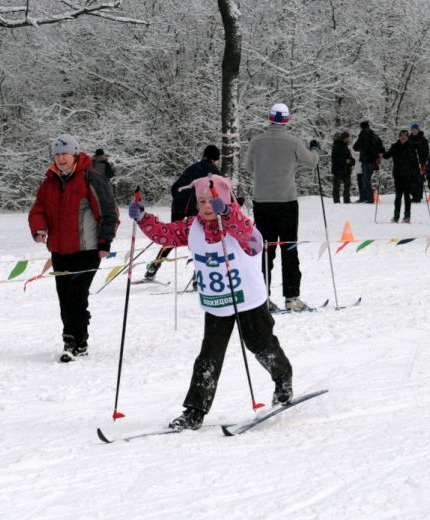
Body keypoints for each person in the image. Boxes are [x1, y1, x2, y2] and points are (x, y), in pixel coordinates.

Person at [128, 174, 293, 430]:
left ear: (225, 200)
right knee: (209, 357)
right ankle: (194, 411)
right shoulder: (192, 227)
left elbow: (248, 235)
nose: (206, 206)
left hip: (248, 300)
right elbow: (166, 235)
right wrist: (143, 219)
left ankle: (283, 378)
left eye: (212, 200)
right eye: (202, 201)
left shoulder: (240, 224)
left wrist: (227, 213)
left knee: (260, 345)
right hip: (217, 303)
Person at [29, 134, 118, 362]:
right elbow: (38, 209)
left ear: (75, 154)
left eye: (65, 154)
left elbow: (109, 212)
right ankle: (73, 340)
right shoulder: (49, 182)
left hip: (87, 250)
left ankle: (76, 341)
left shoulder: (91, 177)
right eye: (57, 155)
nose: (61, 159)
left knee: (76, 297)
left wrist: (105, 242)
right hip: (59, 251)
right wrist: (39, 228)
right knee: (64, 299)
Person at [244, 103, 320, 312]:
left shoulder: (256, 141)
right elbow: (311, 162)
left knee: (265, 250)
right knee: (289, 249)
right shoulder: (293, 142)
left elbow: (248, 167)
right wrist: (315, 149)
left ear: (269, 118)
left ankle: (262, 298)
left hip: (262, 202)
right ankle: (292, 297)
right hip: (286, 202)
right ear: (286, 120)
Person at [143, 144, 220, 281]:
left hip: (178, 206)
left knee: (172, 236)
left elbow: (175, 187)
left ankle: (153, 267)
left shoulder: (192, 167)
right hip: (196, 208)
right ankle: (198, 277)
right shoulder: (213, 170)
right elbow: (219, 193)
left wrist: (180, 201)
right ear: (216, 158)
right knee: (202, 240)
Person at [382, 130, 421, 223]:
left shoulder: (411, 147)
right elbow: (387, 156)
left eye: (405, 136)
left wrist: (418, 174)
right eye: (401, 136)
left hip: (408, 175)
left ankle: (407, 216)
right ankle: (396, 215)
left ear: (408, 137)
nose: (403, 137)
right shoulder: (395, 146)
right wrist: (381, 150)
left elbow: (415, 162)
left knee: (407, 196)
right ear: (399, 137)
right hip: (398, 174)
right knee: (398, 196)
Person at [353, 121, 384, 204]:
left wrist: (363, 149)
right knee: (366, 179)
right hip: (374, 162)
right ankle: (366, 197)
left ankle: (368, 198)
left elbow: (355, 147)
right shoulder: (375, 136)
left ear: (361, 127)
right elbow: (382, 148)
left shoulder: (363, 135)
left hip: (366, 161)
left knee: (365, 180)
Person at [330, 131, 354, 204]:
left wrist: (351, 161)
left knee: (347, 185)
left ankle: (347, 200)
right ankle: (336, 201)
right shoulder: (337, 146)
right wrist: (345, 161)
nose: (349, 140)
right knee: (337, 186)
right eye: (348, 138)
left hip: (346, 169)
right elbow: (335, 158)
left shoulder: (345, 146)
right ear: (344, 138)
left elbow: (350, 157)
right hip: (338, 169)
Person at [408, 124, 430, 203]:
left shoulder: (423, 139)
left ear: (418, 130)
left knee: (419, 179)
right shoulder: (409, 139)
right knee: (410, 179)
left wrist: (424, 160)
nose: (414, 131)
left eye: (415, 129)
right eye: (412, 129)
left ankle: (418, 196)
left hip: (421, 162)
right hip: (410, 163)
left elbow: (426, 151)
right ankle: (414, 195)